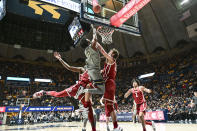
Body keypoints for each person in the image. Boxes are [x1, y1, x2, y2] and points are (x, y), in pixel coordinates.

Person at [33, 52, 96, 131]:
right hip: (76, 89)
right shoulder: (82, 69)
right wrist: (60, 59)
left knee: (91, 112)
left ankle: (93, 129)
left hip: (83, 94)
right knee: (58, 94)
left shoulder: (94, 75)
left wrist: (90, 99)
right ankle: (44, 92)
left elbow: (90, 88)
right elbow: (69, 67)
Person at [96, 44, 122, 131]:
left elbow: (103, 52)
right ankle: (116, 126)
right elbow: (105, 72)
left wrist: (98, 45)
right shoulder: (108, 63)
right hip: (107, 84)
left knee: (110, 106)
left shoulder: (112, 60)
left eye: (110, 52)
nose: (108, 52)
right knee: (109, 106)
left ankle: (116, 126)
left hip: (109, 84)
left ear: (113, 55)